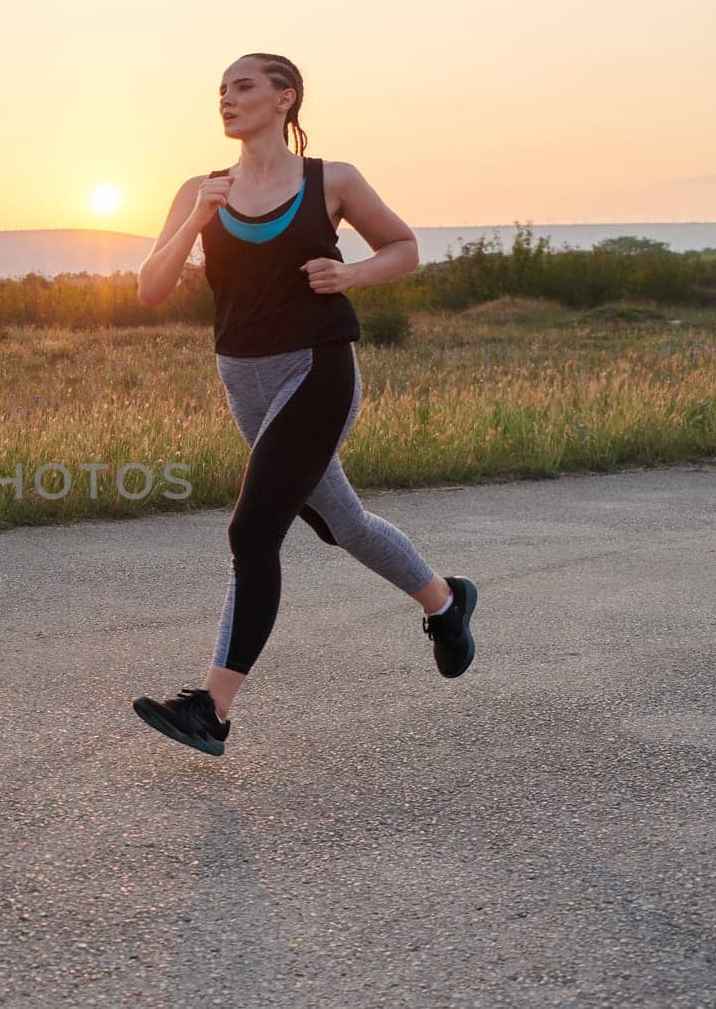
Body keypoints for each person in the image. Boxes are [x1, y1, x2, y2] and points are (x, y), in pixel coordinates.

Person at [130, 53, 478, 756]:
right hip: (243, 378)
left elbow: (404, 248)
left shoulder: (332, 180)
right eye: (221, 90)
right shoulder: (203, 189)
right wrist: (196, 217)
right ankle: (445, 601)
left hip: (318, 368)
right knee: (342, 523)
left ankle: (213, 709)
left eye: (245, 87)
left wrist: (351, 272)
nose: (227, 99)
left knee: (254, 531)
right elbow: (150, 289)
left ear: (285, 98)